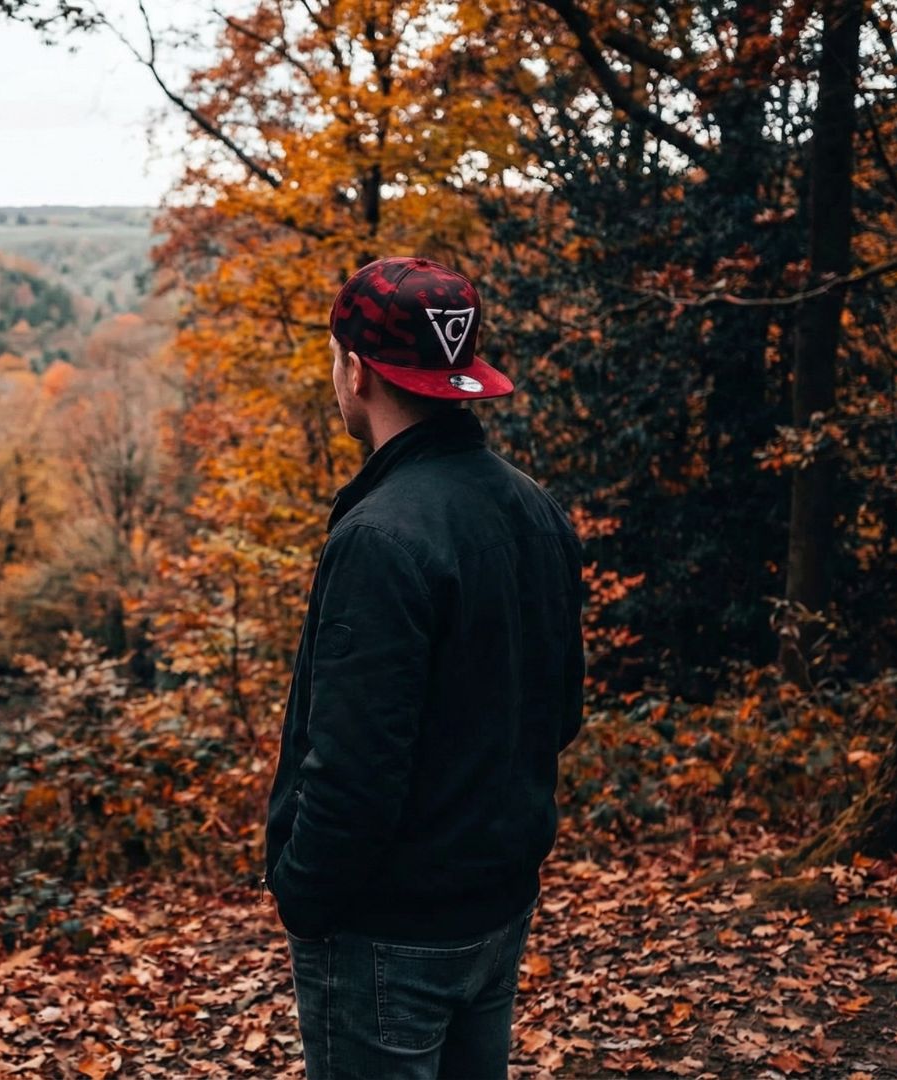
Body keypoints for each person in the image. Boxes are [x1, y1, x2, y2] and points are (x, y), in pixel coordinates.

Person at [263, 255, 585, 1080]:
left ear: (358, 371)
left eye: (337, 361)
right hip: (496, 907)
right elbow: (562, 711)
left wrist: (302, 897)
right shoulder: (533, 506)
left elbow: (352, 771)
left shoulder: (379, 538)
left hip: (387, 937)